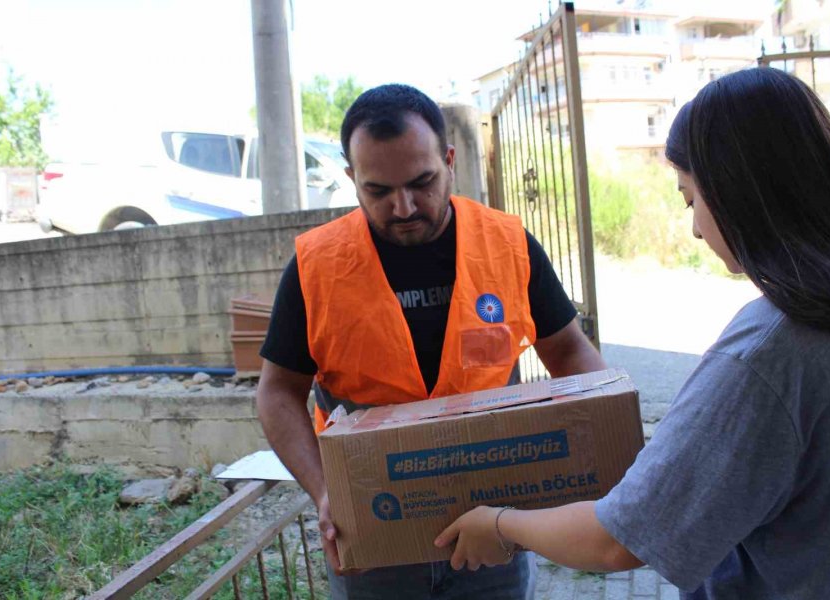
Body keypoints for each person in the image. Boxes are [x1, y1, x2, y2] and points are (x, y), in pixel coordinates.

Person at [435, 67, 830, 599]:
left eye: (690, 198)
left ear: (737, 190)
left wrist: (500, 524)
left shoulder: (771, 353)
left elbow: (617, 540)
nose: (696, 227)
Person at [256, 83, 606, 600]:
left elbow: (571, 352)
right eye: (378, 191)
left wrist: (600, 447)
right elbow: (277, 392)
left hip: (493, 527)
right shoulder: (317, 267)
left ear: (449, 160)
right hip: (375, 529)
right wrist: (327, 492)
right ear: (352, 179)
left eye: (422, 182)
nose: (403, 207)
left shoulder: (507, 244)